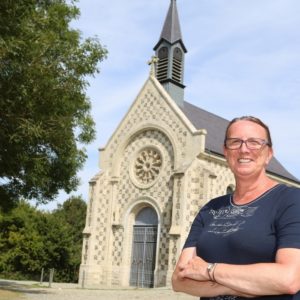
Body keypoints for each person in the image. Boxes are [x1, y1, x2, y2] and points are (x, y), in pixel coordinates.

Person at [172, 116, 300, 299]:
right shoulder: (210, 209)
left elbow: (289, 279)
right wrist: (237, 287)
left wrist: (210, 270)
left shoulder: (291, 200)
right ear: (225, 151)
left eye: (254, 142)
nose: (244, 149)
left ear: (269, 154)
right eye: (235, 142)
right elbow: (179, 280)